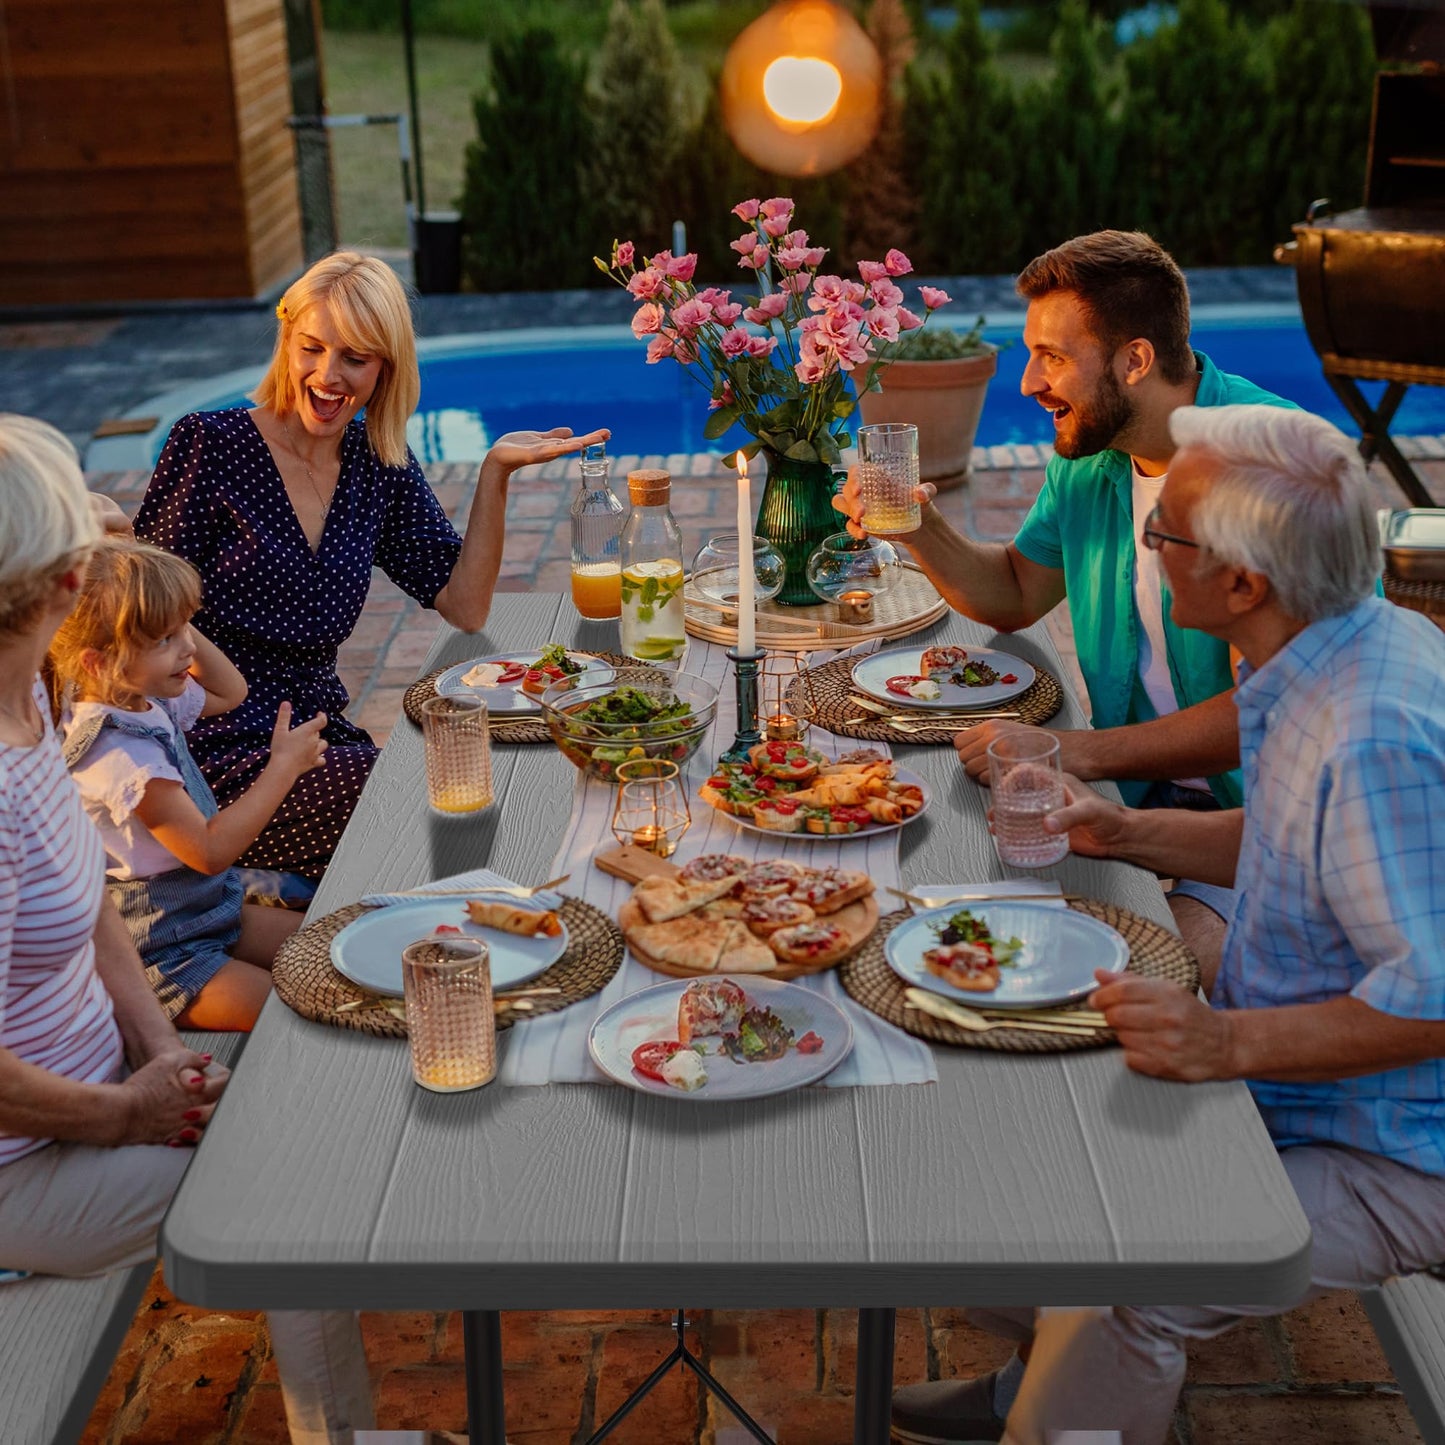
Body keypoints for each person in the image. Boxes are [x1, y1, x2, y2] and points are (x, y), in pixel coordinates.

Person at [890, 404, 1445, 1445]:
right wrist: (1126, 828)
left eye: (1166, 535)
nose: (1147, 547)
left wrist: (1223, 1039)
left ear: (1240, 583)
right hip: (1308, 1079)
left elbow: (1433, 997)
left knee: (1133, 1274)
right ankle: (1033, 1389)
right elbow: (1294, 837)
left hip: (1401, 1145)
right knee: (1044, 1138)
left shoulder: (1367, 731)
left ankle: (1064, 1407)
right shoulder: (1323, 649)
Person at [0, 414, 374, 1445]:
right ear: (60, 586)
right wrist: (128, 1112)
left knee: (316, 1014)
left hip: (113, 1070)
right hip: (27, 1159)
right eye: (83, 543)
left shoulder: (33, 709)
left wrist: (161, 1051)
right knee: (292, 1177)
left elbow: (92, 911)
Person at [835, 232, 1294, 968]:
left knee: (1131, 973)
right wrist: (918, 525)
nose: (1025, 383)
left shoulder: (1267, 469)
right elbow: (1016, 590)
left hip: (1268, 822)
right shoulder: (1092, 456)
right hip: (1138, 798)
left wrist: (1078, 753)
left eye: (1051, 356)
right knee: (941, 902)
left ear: (1133, 360)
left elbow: (1274, 707)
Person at [134, 250, 609, 880]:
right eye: (312, 348)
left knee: (497, 766)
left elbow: (463, 604)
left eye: (354, 358)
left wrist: (495, 474)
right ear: (287, 340)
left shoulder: (375, 462)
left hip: (319, 741)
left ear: (386, 368)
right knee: (426, 808)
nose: (328, 376)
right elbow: (142, 613)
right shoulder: (211, 445)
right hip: (212, 748)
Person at [48, 538, 328, 1030]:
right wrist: (282, 769)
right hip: (165, 954)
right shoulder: (120, 758)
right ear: (98, 662)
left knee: (330, 954)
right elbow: (208, 849)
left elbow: (230, 690)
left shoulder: (139, 697)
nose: (189, 649)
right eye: (164, 640)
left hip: (213, 908)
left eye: (184, 631)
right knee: (297, 1015)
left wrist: (166, 614)